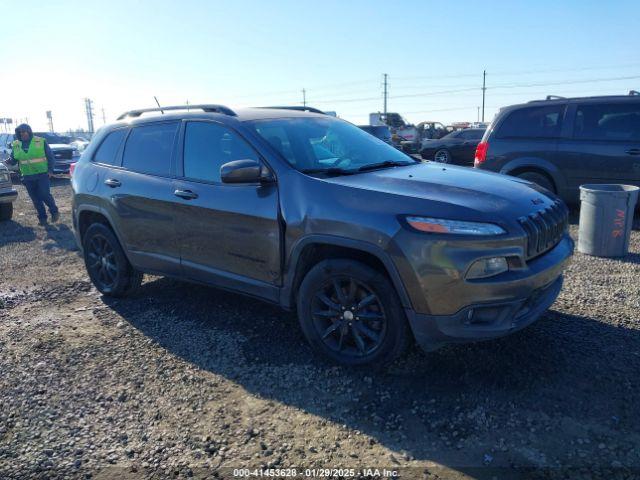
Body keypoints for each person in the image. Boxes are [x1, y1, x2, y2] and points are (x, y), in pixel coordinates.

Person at [6, 124, 59, 225]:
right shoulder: (16, 144)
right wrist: (8, 161)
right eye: (20, 133)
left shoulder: (40, 141)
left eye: (25, 132)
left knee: (44, 194)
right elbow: (13, 160)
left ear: (29, 131)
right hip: (27, 176)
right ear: (18, 134)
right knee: (35, 199)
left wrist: (50, 170)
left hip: (42, 174)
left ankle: (54, 211)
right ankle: (42, 218)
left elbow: (50, 157)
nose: (23, 134)